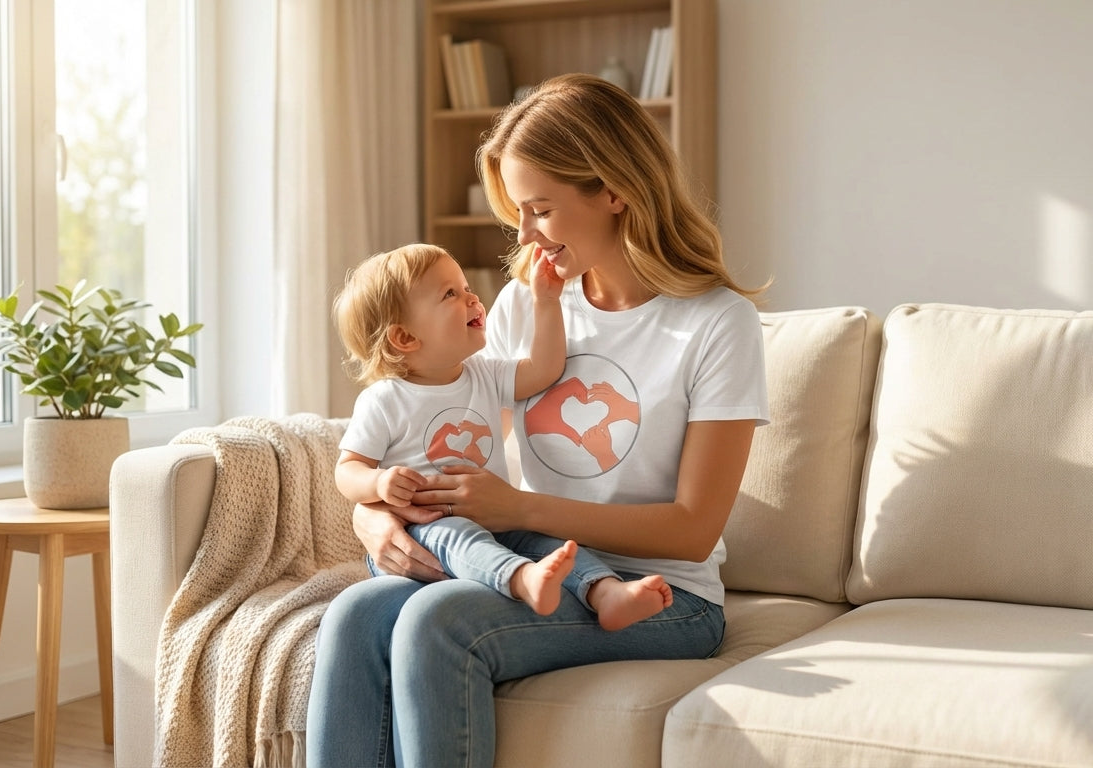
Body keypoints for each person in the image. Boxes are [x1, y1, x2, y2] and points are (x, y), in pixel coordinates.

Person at [307, 73, 768, 768]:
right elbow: (430, 419)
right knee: (353, 613)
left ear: (613, 191)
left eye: (541, 210)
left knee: (441, 621)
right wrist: (375, 516)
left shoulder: (716, 324)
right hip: (524, 560)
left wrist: (517, 505)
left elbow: (694, 527)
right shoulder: (528, 304)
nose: (523, 235)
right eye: (517, 212)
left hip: (663, 596)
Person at [332, 242, 673, 628]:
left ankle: (607, 592)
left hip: (495, 524)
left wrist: (545, 303)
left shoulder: (484, 374)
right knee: (458, 534)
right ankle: (522, 579)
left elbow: (544, 368)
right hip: (425, 531)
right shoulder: (384, 400)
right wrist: (378, 482)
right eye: (451, 294)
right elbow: (348, 470)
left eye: (465, 287)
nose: (472, 298)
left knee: (548, 544)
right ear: (406, 338)